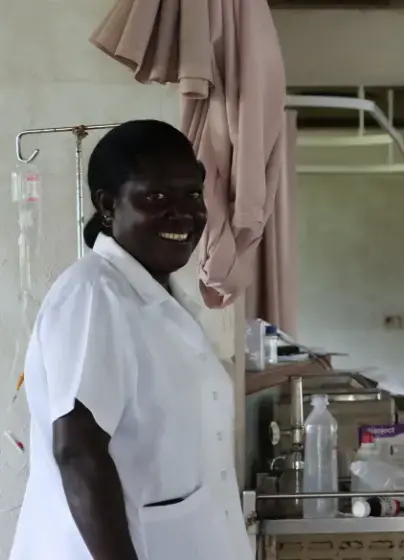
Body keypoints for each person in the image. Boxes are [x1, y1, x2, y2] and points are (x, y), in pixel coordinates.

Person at [10, 120, 252, 560]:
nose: (182, 213)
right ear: (107, 204)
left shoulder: (157, 299)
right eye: (156, 197)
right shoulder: (93, 294)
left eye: (192, 194)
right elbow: (78, 452)